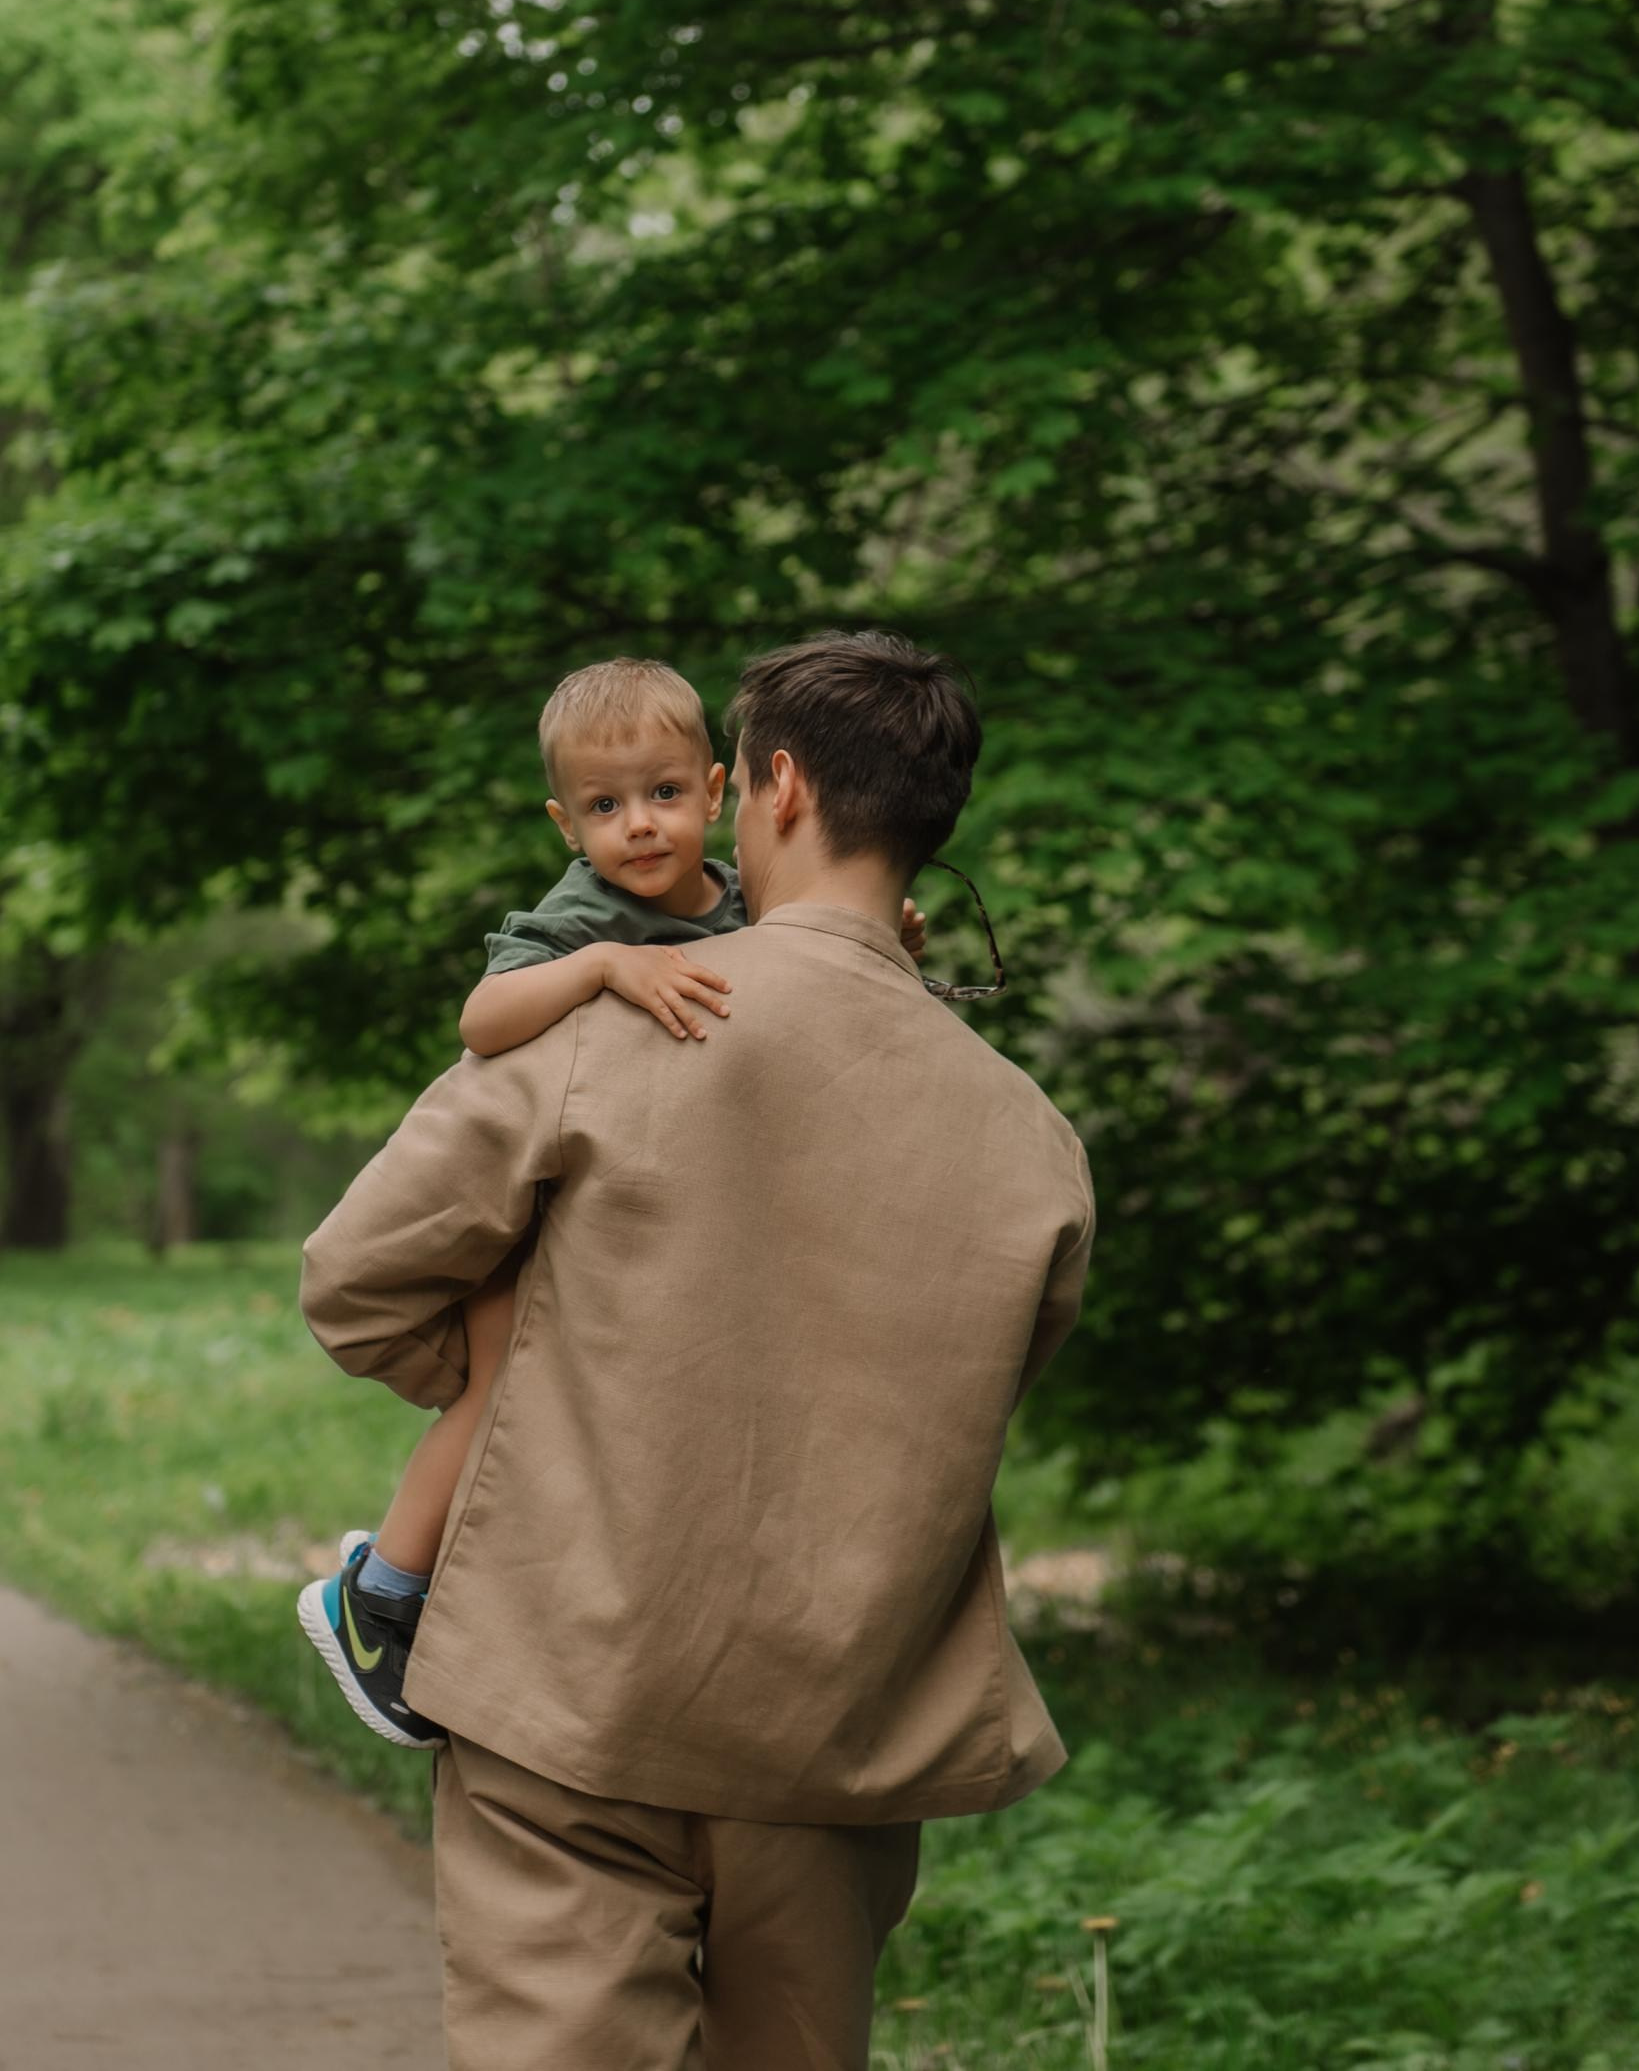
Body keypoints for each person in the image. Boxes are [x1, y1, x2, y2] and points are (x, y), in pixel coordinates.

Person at [297, 629, 1092, 2071]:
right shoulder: (1028, 1136)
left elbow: (355, 1281)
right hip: (833, 1743)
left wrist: (519, 1384)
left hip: (567, 1704)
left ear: (773, 785)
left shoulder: (615, 1019)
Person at [295, 650, 925, 1744]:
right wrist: (598, 971)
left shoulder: (739, 905)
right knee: (497, 1398)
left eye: (664, 795)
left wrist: (892, 949)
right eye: (603, 806)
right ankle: (378, 1593)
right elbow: (482, 1020)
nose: (637, 826)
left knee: (575, 1423)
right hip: (525, 1217)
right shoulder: (581, 916)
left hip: (617, 1219)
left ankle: (482, 1597)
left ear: (719, 793)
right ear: (564, 824)